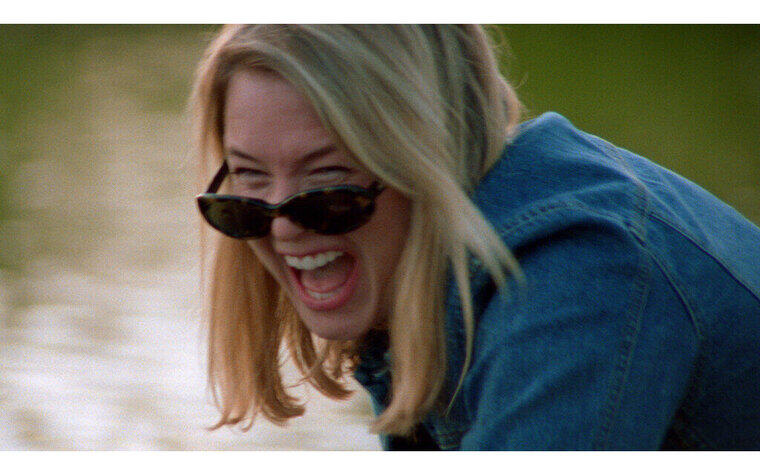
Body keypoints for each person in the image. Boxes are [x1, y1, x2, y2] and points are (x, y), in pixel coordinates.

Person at [190, 24, 760, 450]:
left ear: (428, 158)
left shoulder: (574, 279)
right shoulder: (414, 274)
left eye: (327, 182)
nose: (282, 225)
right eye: (250, 179)